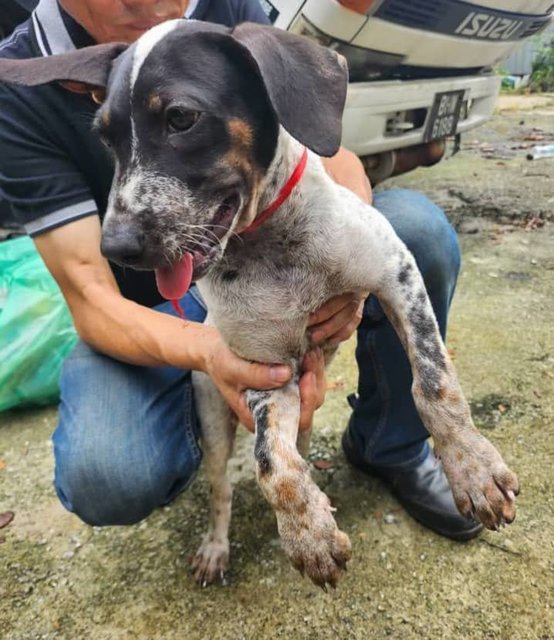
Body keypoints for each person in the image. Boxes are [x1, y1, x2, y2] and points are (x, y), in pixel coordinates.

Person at [0, 0, 481, 540]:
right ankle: (193, 436)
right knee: (108, 472)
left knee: (419, 232)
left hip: (268, 235)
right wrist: (214, 354)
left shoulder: (223, 15)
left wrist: (345, 271)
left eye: (181, 119)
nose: (161, 4)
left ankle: (390, 443)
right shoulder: (18, 88)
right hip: (141, 310)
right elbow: (92, 300)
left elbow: (325, 141)